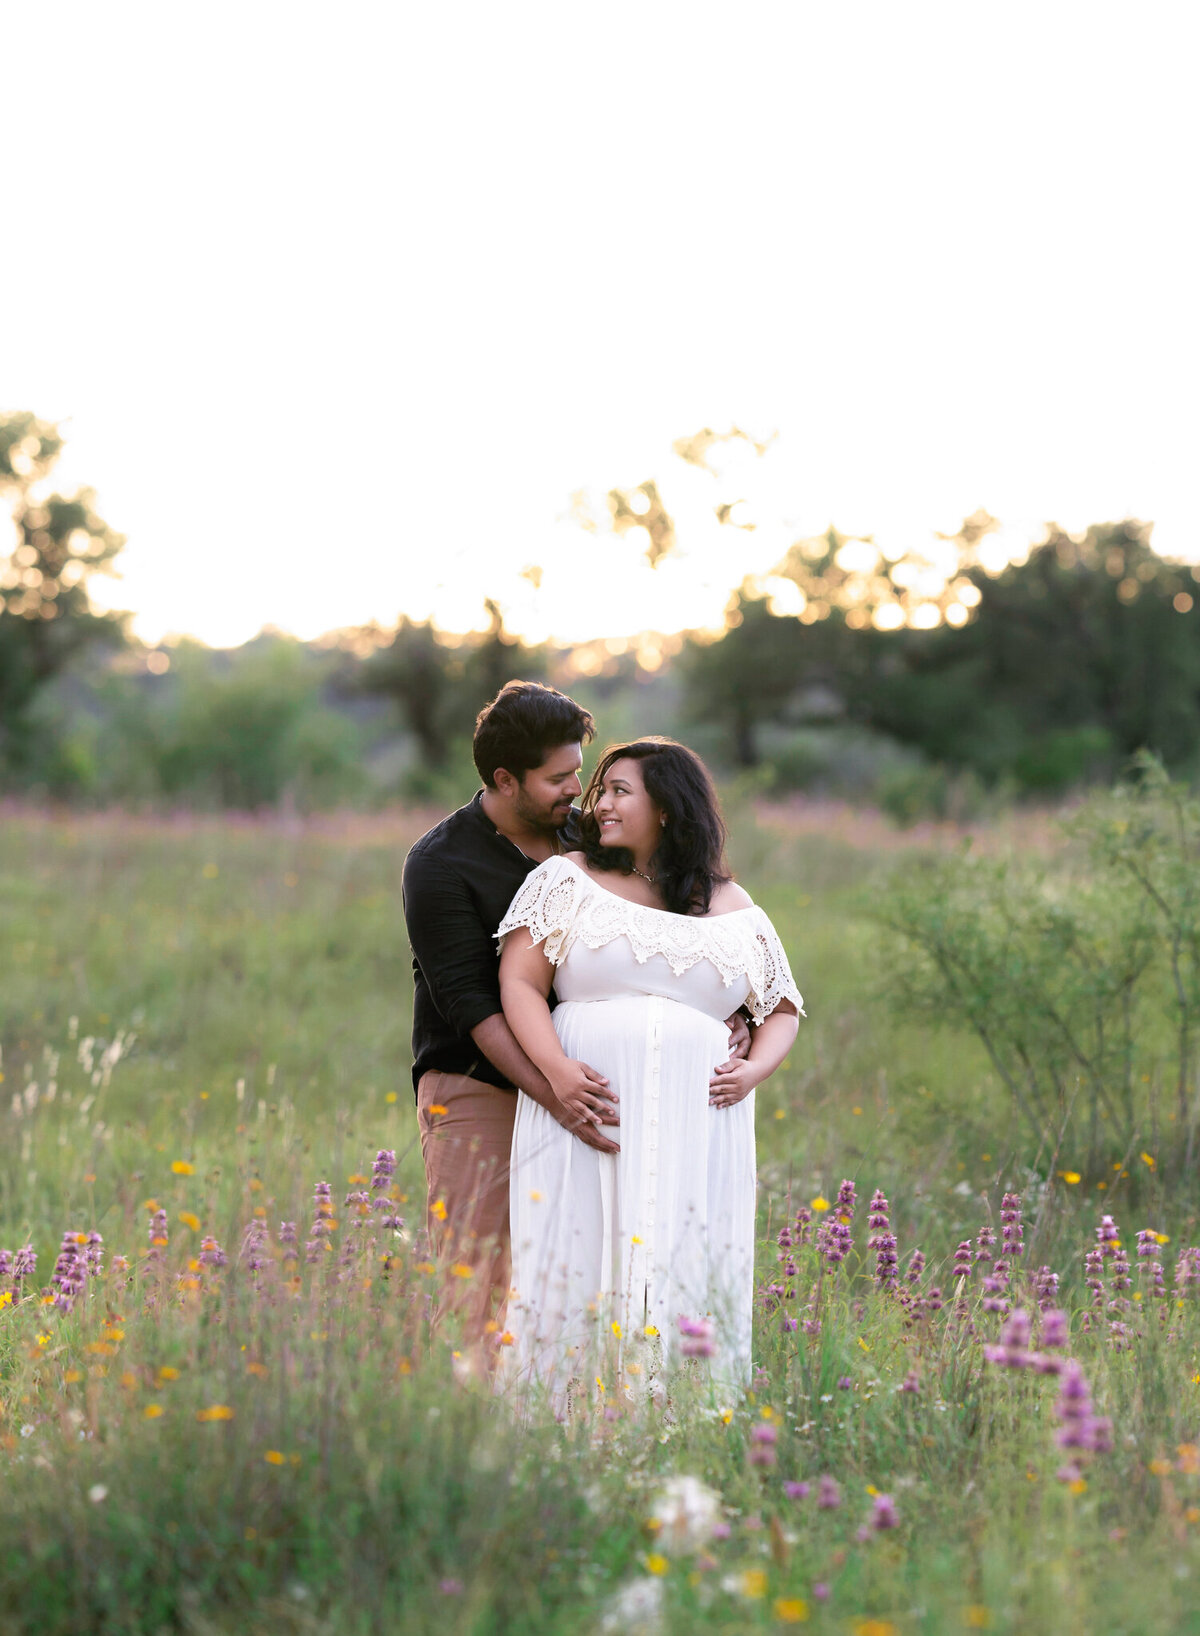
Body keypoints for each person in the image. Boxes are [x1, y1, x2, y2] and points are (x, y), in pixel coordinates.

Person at [402, 686, 750, 1334]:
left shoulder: (588, 838)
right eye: (559, 777)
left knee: (580, 1265)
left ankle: (572, 1419)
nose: (578, 789)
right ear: (506, 780)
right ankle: (475, 1421)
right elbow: (472, 1007)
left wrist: (724, 1011)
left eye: (580, 772)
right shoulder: (439, 863)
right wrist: (550, 1090)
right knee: (481, 1272)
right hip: (481, 1083)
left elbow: (661, 927)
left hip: (586, 1084)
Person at [498, 737, 802, 1399]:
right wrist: (556, 1072)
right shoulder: (566, 879)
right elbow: (519, 983)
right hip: (588, 1115)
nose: (598, 803)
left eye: (617, 790)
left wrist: (755, 1073)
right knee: (580, 1254)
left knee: (682, 1258)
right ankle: (568, 1420)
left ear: (666, 806)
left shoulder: (731, 904)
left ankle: (681, 1416)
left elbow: (782, 1009)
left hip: (701, 1130)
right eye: (598, 789)